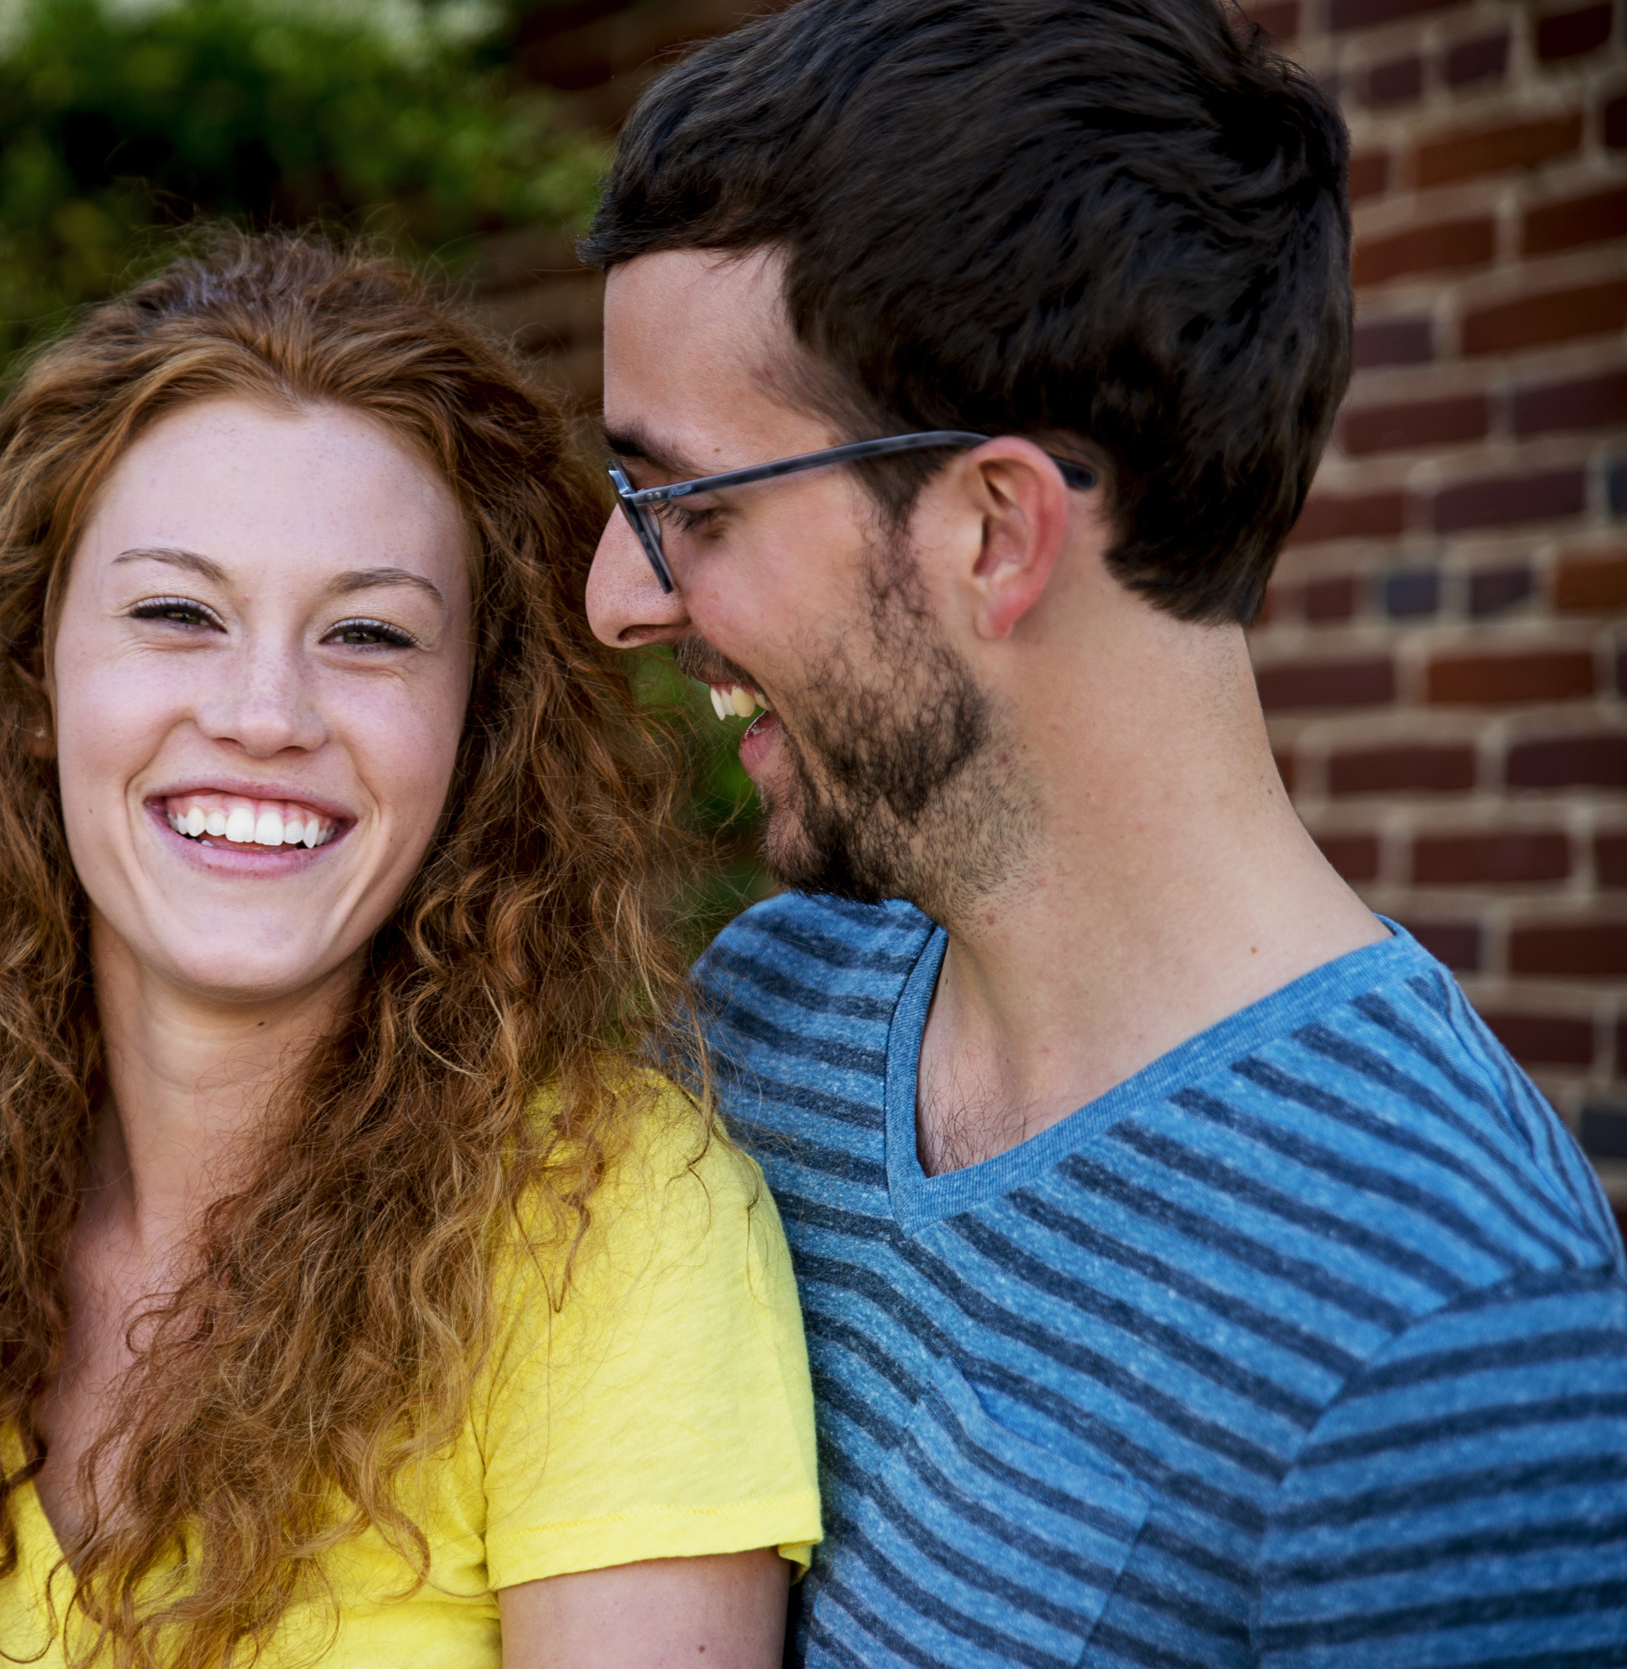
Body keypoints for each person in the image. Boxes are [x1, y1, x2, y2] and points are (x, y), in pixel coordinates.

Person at [577, 2, 1627, 1664]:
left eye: (691, 506)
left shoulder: (1448, 1326)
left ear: (995, 529)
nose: (616, 599)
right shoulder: (765, 1016)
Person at [0, 236, 819, 1669]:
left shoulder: (604, 1227)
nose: (266, 711)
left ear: (477, 733)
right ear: (33, 680)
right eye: (177, 613)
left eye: (371, 632)